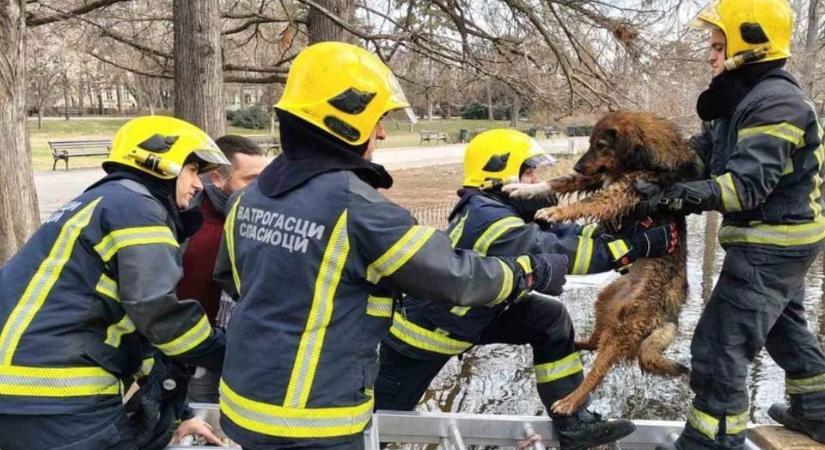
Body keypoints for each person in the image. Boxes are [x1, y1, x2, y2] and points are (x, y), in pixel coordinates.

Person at [214, 41, 574, 450]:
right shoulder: (358, 207)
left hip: (243, 404)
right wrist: (532, 271)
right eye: (378, 118)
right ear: (344, 120)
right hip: (313, 421)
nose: (383, 132)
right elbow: (457, 280)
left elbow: (233, 279)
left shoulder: (249, 197)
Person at [374, 129, 680, 450]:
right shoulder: (489, 219)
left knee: (548, 319)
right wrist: (634, 246)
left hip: (474, 314)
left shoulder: (506, 208)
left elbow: (565, 233)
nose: (536, 178)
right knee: (381, 421)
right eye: (529, 169)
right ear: (498, 170)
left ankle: (571, 420)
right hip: (425, 337)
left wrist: (618, 229)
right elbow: (558, 252)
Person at [632, 1, 825, 448]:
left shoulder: (776, 103)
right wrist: (657, 172)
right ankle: (816, 409)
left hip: (772, 243)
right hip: (784, 239)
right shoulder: (740, 96)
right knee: (781, 325)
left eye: (719, 47)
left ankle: (712, 440)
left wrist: (680, 196)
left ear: (749, 44)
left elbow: (746, 187)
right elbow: (704, 155)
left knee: (718, 348)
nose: (710, 55)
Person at [0, 116, 230, 450]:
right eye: (193, 170)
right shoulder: (138, 209)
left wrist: (180, 415)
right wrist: (230, 353)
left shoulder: (103, 202)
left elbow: (141, 334)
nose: (199, 185)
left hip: (25, 396)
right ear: (158, 158)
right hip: (59, 399)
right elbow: (160, 317)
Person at [177, 135, 267, 403]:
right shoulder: (187, 222)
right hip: (196, 357)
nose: (262, 187)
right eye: (251, 179)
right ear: (217, 178)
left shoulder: (263, 219)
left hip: (248, 353)